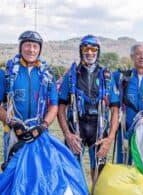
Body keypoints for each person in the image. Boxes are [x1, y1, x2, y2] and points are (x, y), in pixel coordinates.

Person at [0, 30, 88, 194]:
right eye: (27, 45)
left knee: (43, 173)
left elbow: (54, 105)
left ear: (39, 50)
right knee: (13, 173)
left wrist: (43, 126)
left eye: (35, 46)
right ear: (21, 47)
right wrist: (12, 122)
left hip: (39, 133)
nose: (31, 50)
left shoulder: (47, 75)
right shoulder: (7, 73)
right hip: (14, 132)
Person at [57, 34, 120, 180]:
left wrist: (110, 138)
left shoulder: (106, 76)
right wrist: (67, 134)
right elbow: (61, 108)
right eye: (86, 49)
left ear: (98, 52)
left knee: (99, 172)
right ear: (81, 51)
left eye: (93, 49)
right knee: (72, 171)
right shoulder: (72, 75)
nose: (90, 53)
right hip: (76, 128)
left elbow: (115, 109)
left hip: (99, 129)